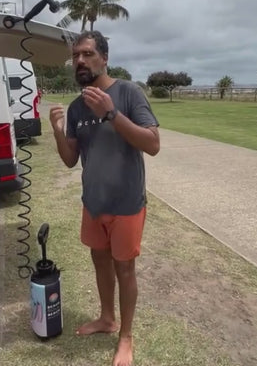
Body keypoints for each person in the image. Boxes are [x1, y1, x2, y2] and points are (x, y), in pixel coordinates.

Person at [49, 30, 160, 366]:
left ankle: (126, 336)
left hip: (126, 203)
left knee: (125, 268)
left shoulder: (127, 92)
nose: (79, 61)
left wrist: (112, 113)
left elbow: (152, 144)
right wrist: (56, 130)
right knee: (100, 261)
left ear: (104, 58)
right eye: (76, 56)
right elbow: (71, 159)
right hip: (93, 202)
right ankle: (107, 319)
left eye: (87, 54)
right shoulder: (76, 106)